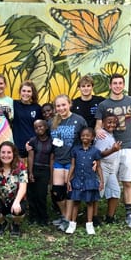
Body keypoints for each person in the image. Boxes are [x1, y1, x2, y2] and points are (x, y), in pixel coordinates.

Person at [95, 73, 131, 229]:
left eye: (120, 83)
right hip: (110, 147)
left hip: (126, 145)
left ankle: (129, 214)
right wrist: (97, 132)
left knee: (127, 181)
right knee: (105, 180)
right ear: (110, 85)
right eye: (115, 83)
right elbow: (98, 126)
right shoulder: (103, 104)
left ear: (123, 85)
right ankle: (96, 215)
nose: (118, 86)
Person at [50, 95, 87, 231]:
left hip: (72, 161)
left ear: (69, 104)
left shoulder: (79, 120)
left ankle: (68, 219)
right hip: (59, 160)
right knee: (57, 192)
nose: (61, 108)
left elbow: (87, 139)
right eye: (58, 106)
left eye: (63, 105)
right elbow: (44, 138)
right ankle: (65, 215)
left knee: (70, 191)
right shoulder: (52, 122)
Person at [66, 127, 104, 235]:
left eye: (88, 135)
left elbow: (99, 167)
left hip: (90, 180)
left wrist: (102, 181)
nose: (85, 137)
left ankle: (89, 225)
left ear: (92, 137)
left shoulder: (95, 151)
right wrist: (68, 180)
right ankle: (72, 224)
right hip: (77, 179)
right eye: (83, 135)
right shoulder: (76, 150)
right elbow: (72, 166)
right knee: (76, 202)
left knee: (90, 203)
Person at [0, 141, 28, 237]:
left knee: (18, 210)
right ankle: (2, 223)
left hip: (15, 199)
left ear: (13, 154)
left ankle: (16, 224)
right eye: (3, 152)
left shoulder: (20, 166)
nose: (6, 155)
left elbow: (23, 187)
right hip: (0, 199)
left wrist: (17, 201)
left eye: (9, 152)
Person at [94, 113, 122, 224]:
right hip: (102, 166)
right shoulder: (103, 136)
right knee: (98, 192)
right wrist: (113, 150)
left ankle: (110, 217)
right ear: (103, 123)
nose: (112, 124)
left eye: (114, 122)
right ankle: (94, 218)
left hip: (111, 168)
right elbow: (98, 154)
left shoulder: (110, 135)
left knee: (115, 191)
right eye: (109, 122)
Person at [27, 119, 53, 226]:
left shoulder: (52, 141)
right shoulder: (33, 141)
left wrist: (51, 175)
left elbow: (52, 159)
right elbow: (30, 157)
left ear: (46, 127)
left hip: (45, 170)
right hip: (35, 169)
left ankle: (43, 217)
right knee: (32, 195)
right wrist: (30, 172)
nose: (39, 129)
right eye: (36, 128)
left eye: (41, 126)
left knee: (41, 195)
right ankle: (33, 217)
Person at [12, 81, 43, 162]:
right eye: (24, 91)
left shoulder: (37, 108)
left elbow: (40, 128)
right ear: (20, 92)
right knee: (19, 173)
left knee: (31, 173)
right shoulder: (13, 104)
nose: (26, 93)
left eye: (29, 91)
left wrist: (33, 142)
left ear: (32, 93)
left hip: (32, 146)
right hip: (17, 146)